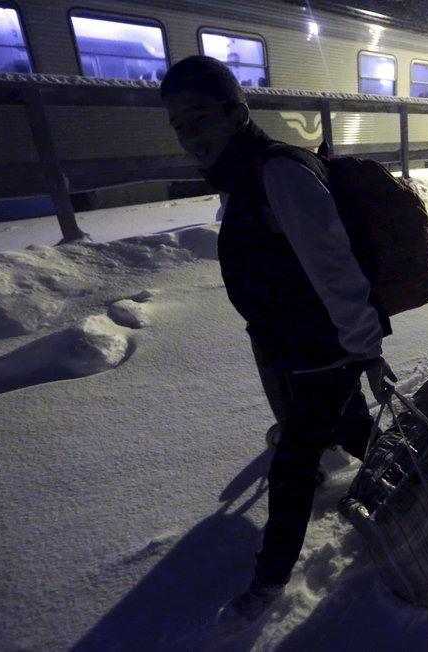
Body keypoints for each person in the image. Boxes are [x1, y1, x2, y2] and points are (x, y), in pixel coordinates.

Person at [160, 55, 396, 632]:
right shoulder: (243, 176)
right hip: (294, 345)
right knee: (350, 428)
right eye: (178, 124)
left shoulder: (278, 174)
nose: (190, 136)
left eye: (199, 118)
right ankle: (410, 484)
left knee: (293, 466)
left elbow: (336, 270)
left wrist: (366, 352)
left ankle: (267, 582)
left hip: (324, 347)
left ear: (236, 111)